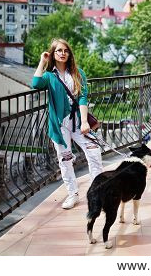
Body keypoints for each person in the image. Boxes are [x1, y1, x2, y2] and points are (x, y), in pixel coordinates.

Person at [32, 38, 103, 209]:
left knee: (94, 152)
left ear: (69, 53)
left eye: (65, 50)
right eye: (59, 51)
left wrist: (85, 121)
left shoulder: (78, 73)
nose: (63, 53)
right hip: (59, 125)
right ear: (53, 54)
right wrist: (43, 61)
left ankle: (97, 192)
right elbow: (35, 83)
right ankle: (73, 194)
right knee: (65, 160)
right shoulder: (49, 76)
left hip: (79, 122)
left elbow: (83, 97)